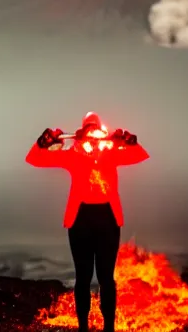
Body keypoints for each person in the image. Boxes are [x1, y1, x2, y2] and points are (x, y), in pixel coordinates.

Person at [25, 112, 149, 332]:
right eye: (88, 129)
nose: (92, 135)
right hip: (79, 221)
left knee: (105, 278)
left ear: (101, 132)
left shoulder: (112, 154)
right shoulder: (72, 155)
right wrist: (44, 141)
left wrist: (129, 140)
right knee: (82, 277)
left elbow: (140, 155)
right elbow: (34, 159)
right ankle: (83, 327)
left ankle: (108, 327)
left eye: (96, 129)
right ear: (82, 132)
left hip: (108, 221)